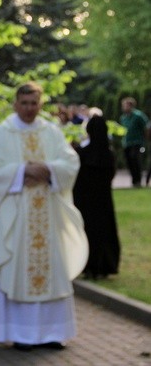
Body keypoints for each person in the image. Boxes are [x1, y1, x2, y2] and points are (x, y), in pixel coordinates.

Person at [0, 81, 88, 351]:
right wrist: (21, 172)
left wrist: (48, 169)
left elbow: (70, 162)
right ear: (16, 104)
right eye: (24, 103)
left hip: (48, 215)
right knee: (18, 269)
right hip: (16, 215)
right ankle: (23, 335)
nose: (29, 108)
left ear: (41, 104)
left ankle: (53, 333)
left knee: (52, 269)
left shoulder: (51, 132)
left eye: (34, 103)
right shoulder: (0, 134)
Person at [73, 115, 120, 279]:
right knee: (105, 233)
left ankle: (89, 266)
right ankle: (105, 265)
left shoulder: (82, 153)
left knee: (88, 232)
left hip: (85, 200)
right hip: (104, 200)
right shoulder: (109, 155)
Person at [119, 97, 148, 187]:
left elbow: (147, 127)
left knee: (135, 160)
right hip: (127, 143)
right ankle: (134, 181)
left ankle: (138, 180)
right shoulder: (123, 117)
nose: (124, 107)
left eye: (126, 105)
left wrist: (145, 139)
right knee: (129, 162)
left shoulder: (138, 115)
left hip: (137, 142)